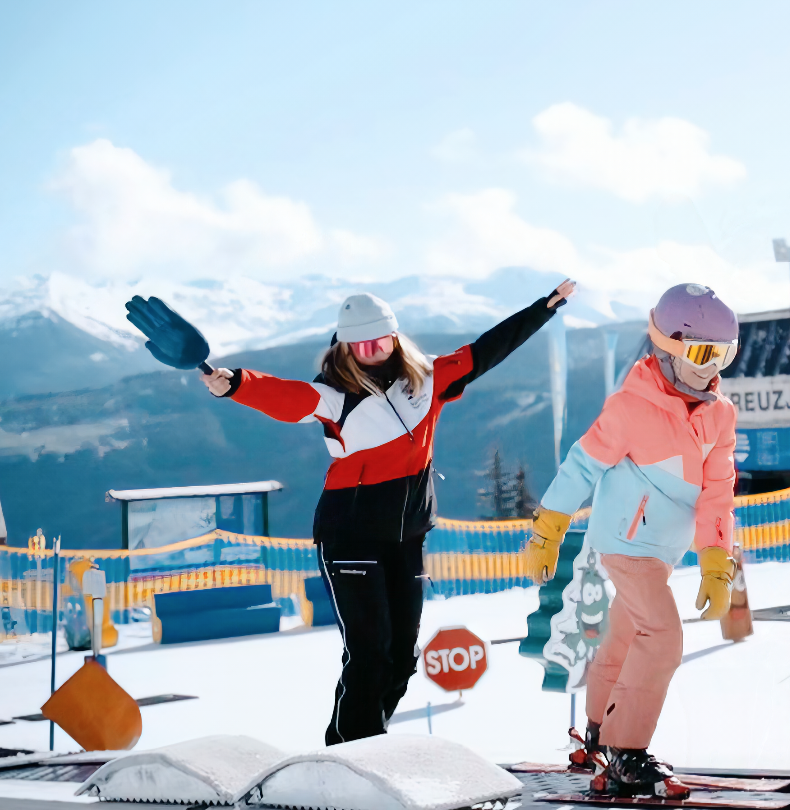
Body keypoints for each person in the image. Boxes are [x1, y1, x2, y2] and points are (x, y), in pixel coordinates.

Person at [200, 279, 576, 745]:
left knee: (401, 657)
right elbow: (286, 397)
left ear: (395, 338)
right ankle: (357, 750)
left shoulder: (429, 379)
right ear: (344, 347)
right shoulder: (335, 395)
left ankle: (356, 742)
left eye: (379, 341)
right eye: (359, 345)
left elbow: (488, 349)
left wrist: (543, 309)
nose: (370, 351)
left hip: (406, 538)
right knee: (369, 651)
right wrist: (234, 384)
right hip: (350, 535)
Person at [524, 283, 739, 799]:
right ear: (667, 345)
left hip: (663, 551)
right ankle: (627, 751)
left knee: (624, 636)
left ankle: (599, 732)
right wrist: (549, 527)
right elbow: (581, 466)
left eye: (726, 354)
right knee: (662, 637)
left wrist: (716, 562)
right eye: (703, 353)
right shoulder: (631, 406)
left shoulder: (718, 414)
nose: (713, 368)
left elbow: (717, 492)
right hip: (625, 542)